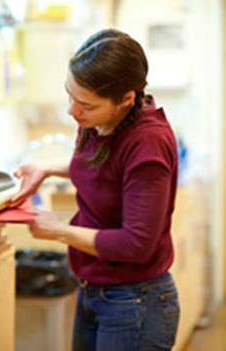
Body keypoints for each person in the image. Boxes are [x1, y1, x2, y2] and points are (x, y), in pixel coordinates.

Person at [10, 28, 180, 351]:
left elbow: (135, 244)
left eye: (85, 104)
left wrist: (59, 230)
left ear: (126, 99)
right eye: (70, 95)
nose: (73, 111)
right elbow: (103, 167)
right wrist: (47, 169)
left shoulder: (148, 143)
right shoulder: (98, 122)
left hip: (134, 302)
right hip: (94, 288)